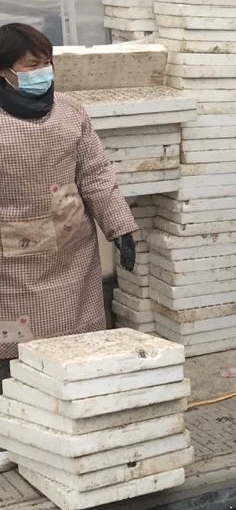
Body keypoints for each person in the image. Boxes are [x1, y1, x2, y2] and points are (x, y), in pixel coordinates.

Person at [0, 23, 137, 372]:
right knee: (17, 341)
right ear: (4, 70)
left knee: (77, 341)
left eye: (47, 62)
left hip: (72, 250)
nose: (43, 72)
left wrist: (120, 227)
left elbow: (95, 172)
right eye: (32, 65)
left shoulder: (70, 110)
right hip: (12, 261)